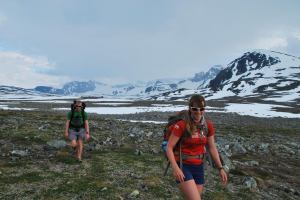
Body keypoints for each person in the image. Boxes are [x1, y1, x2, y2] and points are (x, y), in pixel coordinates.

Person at [166, 94, 227, 200]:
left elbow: (212, 147)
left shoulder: (208, 125)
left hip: (199, 166)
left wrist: (220, 168)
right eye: (195, 109)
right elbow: (169, 147)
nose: (198, 112)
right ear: (190, 108)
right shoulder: (181, 125)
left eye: (201, 109)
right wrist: (176, 168)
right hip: (182, 165)